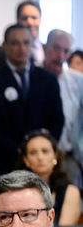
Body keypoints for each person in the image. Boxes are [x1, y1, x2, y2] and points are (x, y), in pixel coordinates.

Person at [0, 24, 64, 185]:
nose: (22, 48)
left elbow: (57, 120)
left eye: (26, 43)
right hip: (6, 165)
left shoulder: (47, 79)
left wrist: (42, 149)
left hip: (42, 167)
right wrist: (21, 152)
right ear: (5, 46)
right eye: (15, 43)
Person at [42, 29, 83, 187]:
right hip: (39, 158)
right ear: (45, 48)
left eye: (66, 51)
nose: (60, 56)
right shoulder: (32, 77)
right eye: (56, 48)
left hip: (68, 157)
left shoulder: (77, 82)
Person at [16, 130, 80, 226]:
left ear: (55, 156)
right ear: (26, 159)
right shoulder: (15, 192)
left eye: (45, 151)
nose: (40, 157)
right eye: (33, 153)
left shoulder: (70, 192)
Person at [0, 0, 44, 73]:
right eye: (24, 18)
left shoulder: (48, 50)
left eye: (34, 18)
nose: (30, 22)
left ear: (40, 20)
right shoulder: (2, 52)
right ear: (18, 20)